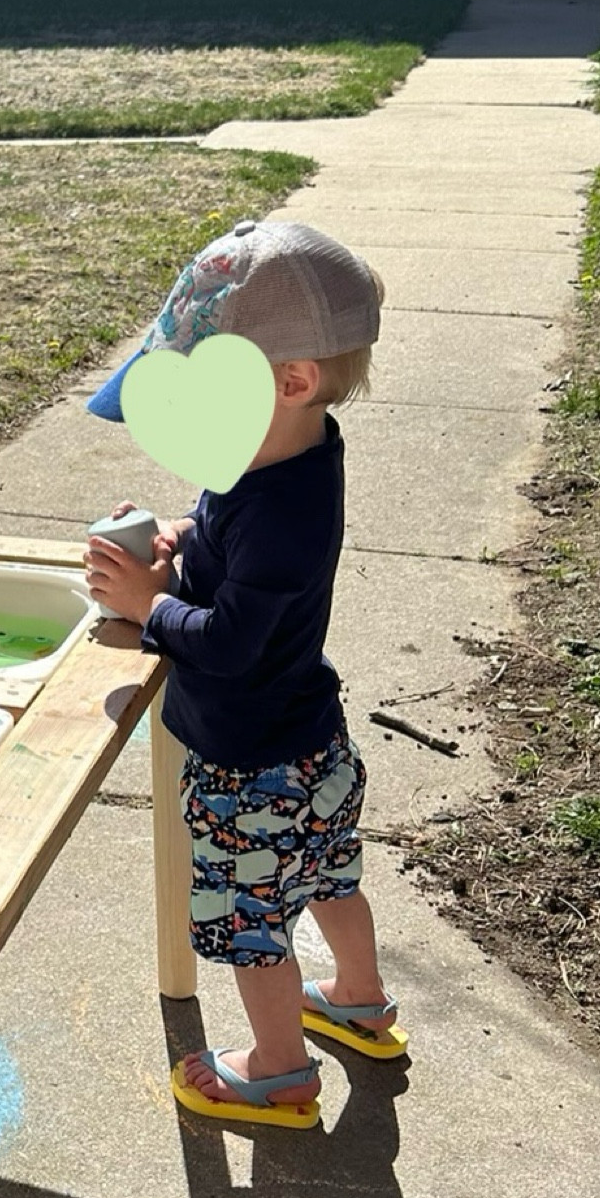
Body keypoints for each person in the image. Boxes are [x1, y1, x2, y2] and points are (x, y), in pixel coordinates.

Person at [84, 219, 405, 1129]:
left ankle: (275, 1069)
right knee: (330, 878)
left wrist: (149, 606)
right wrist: (185, 538)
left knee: (251, 927)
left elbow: (227, 641)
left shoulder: (283, 511)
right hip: (314, 748)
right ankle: (357, 997)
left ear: (291, 381)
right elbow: (230, 524)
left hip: (249, 770)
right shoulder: (286, 457)